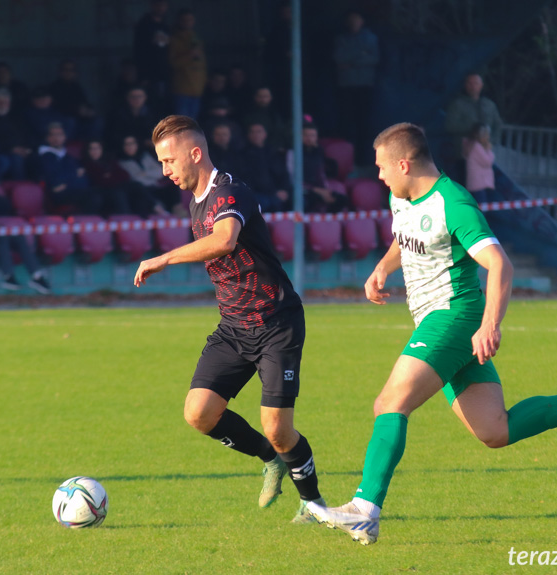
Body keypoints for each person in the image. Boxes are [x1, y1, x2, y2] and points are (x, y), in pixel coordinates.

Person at [305, 123, 557, 545]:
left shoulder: (455, 204)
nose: (377, 176)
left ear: (404, 164)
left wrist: (490, 324)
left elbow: (500, 263)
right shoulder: (402, 196)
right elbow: (405, 235)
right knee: (494, 430)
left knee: (389, 403)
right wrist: (382, 268)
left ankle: (364, 509)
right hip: (441, 322)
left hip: (453, 316)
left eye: (381, 167)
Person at [134, 115, 326, 521]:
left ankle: (314, 504)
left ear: (195, 153)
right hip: (235, 328)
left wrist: (165, 257)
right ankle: (270, 460)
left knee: (278, 426)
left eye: (169, 161)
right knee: (198, 413)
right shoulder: (195, 201)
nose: (164, 171)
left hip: (276, 324)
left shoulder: (230, 192)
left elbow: (224, 241)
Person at [333, 10, 380, 165]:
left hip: (365, 86)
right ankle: (347, 162)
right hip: (346, 86)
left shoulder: (371, 38)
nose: (354, 23)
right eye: (351, 20)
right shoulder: (341, 39)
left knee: (364, 125)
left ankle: (364, 161)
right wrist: (361, 55)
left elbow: (373, 58)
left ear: (362, 21)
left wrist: (351, 62)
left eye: (357, 19)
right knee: (347, 124)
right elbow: (339, 58)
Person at [37, 122, 106, 215]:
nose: (57, 138)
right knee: (93, 196)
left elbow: (83, 179)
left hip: (75, 191)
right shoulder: (45, 157)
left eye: (60, 134)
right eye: (53, 135)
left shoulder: (69, 157)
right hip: (59, 197)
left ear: (65, 137)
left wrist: (67, 181)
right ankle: (82, 226)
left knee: (105, 192)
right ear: (47, 138)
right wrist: (74, 174)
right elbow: (56, 185)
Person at [82, 139, 162, 217]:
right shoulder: (86, 164)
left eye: (97, 148)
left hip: (118, 186)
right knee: (118, 193)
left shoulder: (108, 160)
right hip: (102, 191)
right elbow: (99, 180)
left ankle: (158, 210)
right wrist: (112, 176)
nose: (95, 151)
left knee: (137, 186)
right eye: (92, 149)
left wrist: (110, 176)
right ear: (87, 151)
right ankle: (126, 219)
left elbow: (124, 175)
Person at [287, 119, 348, 213]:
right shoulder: (293, 153)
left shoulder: (318, 153)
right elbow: (292, 179)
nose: (309, 138)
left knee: (341, 200)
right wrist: (316, 190)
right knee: (306, 201)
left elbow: (321, 174)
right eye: (306, 135)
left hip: (319, 189)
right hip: (303, 190)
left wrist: (325, 191)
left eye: (312, 135)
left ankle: (327, 226)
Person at [444, 73, 503, 165]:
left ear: (481, 85)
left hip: (485, 153)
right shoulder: (457, 104)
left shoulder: (489, 105)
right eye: (469, 83)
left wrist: (492, 140)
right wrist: (474, 129)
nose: (472, 86)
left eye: (475, 83)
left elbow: (498, 124)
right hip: (464, 154)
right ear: (465, 85)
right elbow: (450, 126)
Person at [117, 134, 182, 215]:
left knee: (173, 184)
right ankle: (160, 212)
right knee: (139, 187)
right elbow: (134, 178)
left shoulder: (145, 156)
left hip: (154, 187)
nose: (130, 147)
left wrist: (144, 173)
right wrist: (150, 174)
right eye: (127, 144)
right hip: (139, 192)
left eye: (132, 143)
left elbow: (160, 172)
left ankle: (178, 211)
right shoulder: (121, 162)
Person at [239, 122, 292, 213]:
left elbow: (283, 174)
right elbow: (252, 179)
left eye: (259, 132)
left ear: (265, 134)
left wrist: (285, 190)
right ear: (248, 135)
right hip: (258, 193)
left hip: (277, 192)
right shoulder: (243, 155)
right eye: (252, 132)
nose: (256, 135)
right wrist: (274, 192)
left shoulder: (273, 153)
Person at [0, 88, 31, 181]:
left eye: (5, 102)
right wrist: (11, 149)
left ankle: (20, 190)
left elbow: (23, 136)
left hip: (15, 151)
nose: (2, 105)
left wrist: (25, 148)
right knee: (7, 162)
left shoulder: (15, 117)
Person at [168, 9, 207, 118]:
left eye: (190, 20)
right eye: (184, 20)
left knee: (193, 123)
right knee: (183, 123)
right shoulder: (175, 39)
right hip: (182, 88)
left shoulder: (196, 37)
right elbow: (172, 62)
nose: (187, 22)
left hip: (197, 88)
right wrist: (189, 55)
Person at [133, 0, 171, 108]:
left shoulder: (165, 25)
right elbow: (139, 51)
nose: (161, 8)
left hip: (164, 73)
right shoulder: (144, 25)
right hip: (148, 74)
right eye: (158, 4)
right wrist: (143, 75)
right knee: (151, 105)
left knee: (163, 105)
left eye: (163, 5)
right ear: (152, 5)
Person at [464, 123, 495, 205]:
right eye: (486, 135)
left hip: (475, 184)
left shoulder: (471, 145)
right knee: (482, 211)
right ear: (480, 135)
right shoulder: (476, 147)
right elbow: (487, 162)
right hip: (479, 185)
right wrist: (488, 150)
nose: (488, 137)